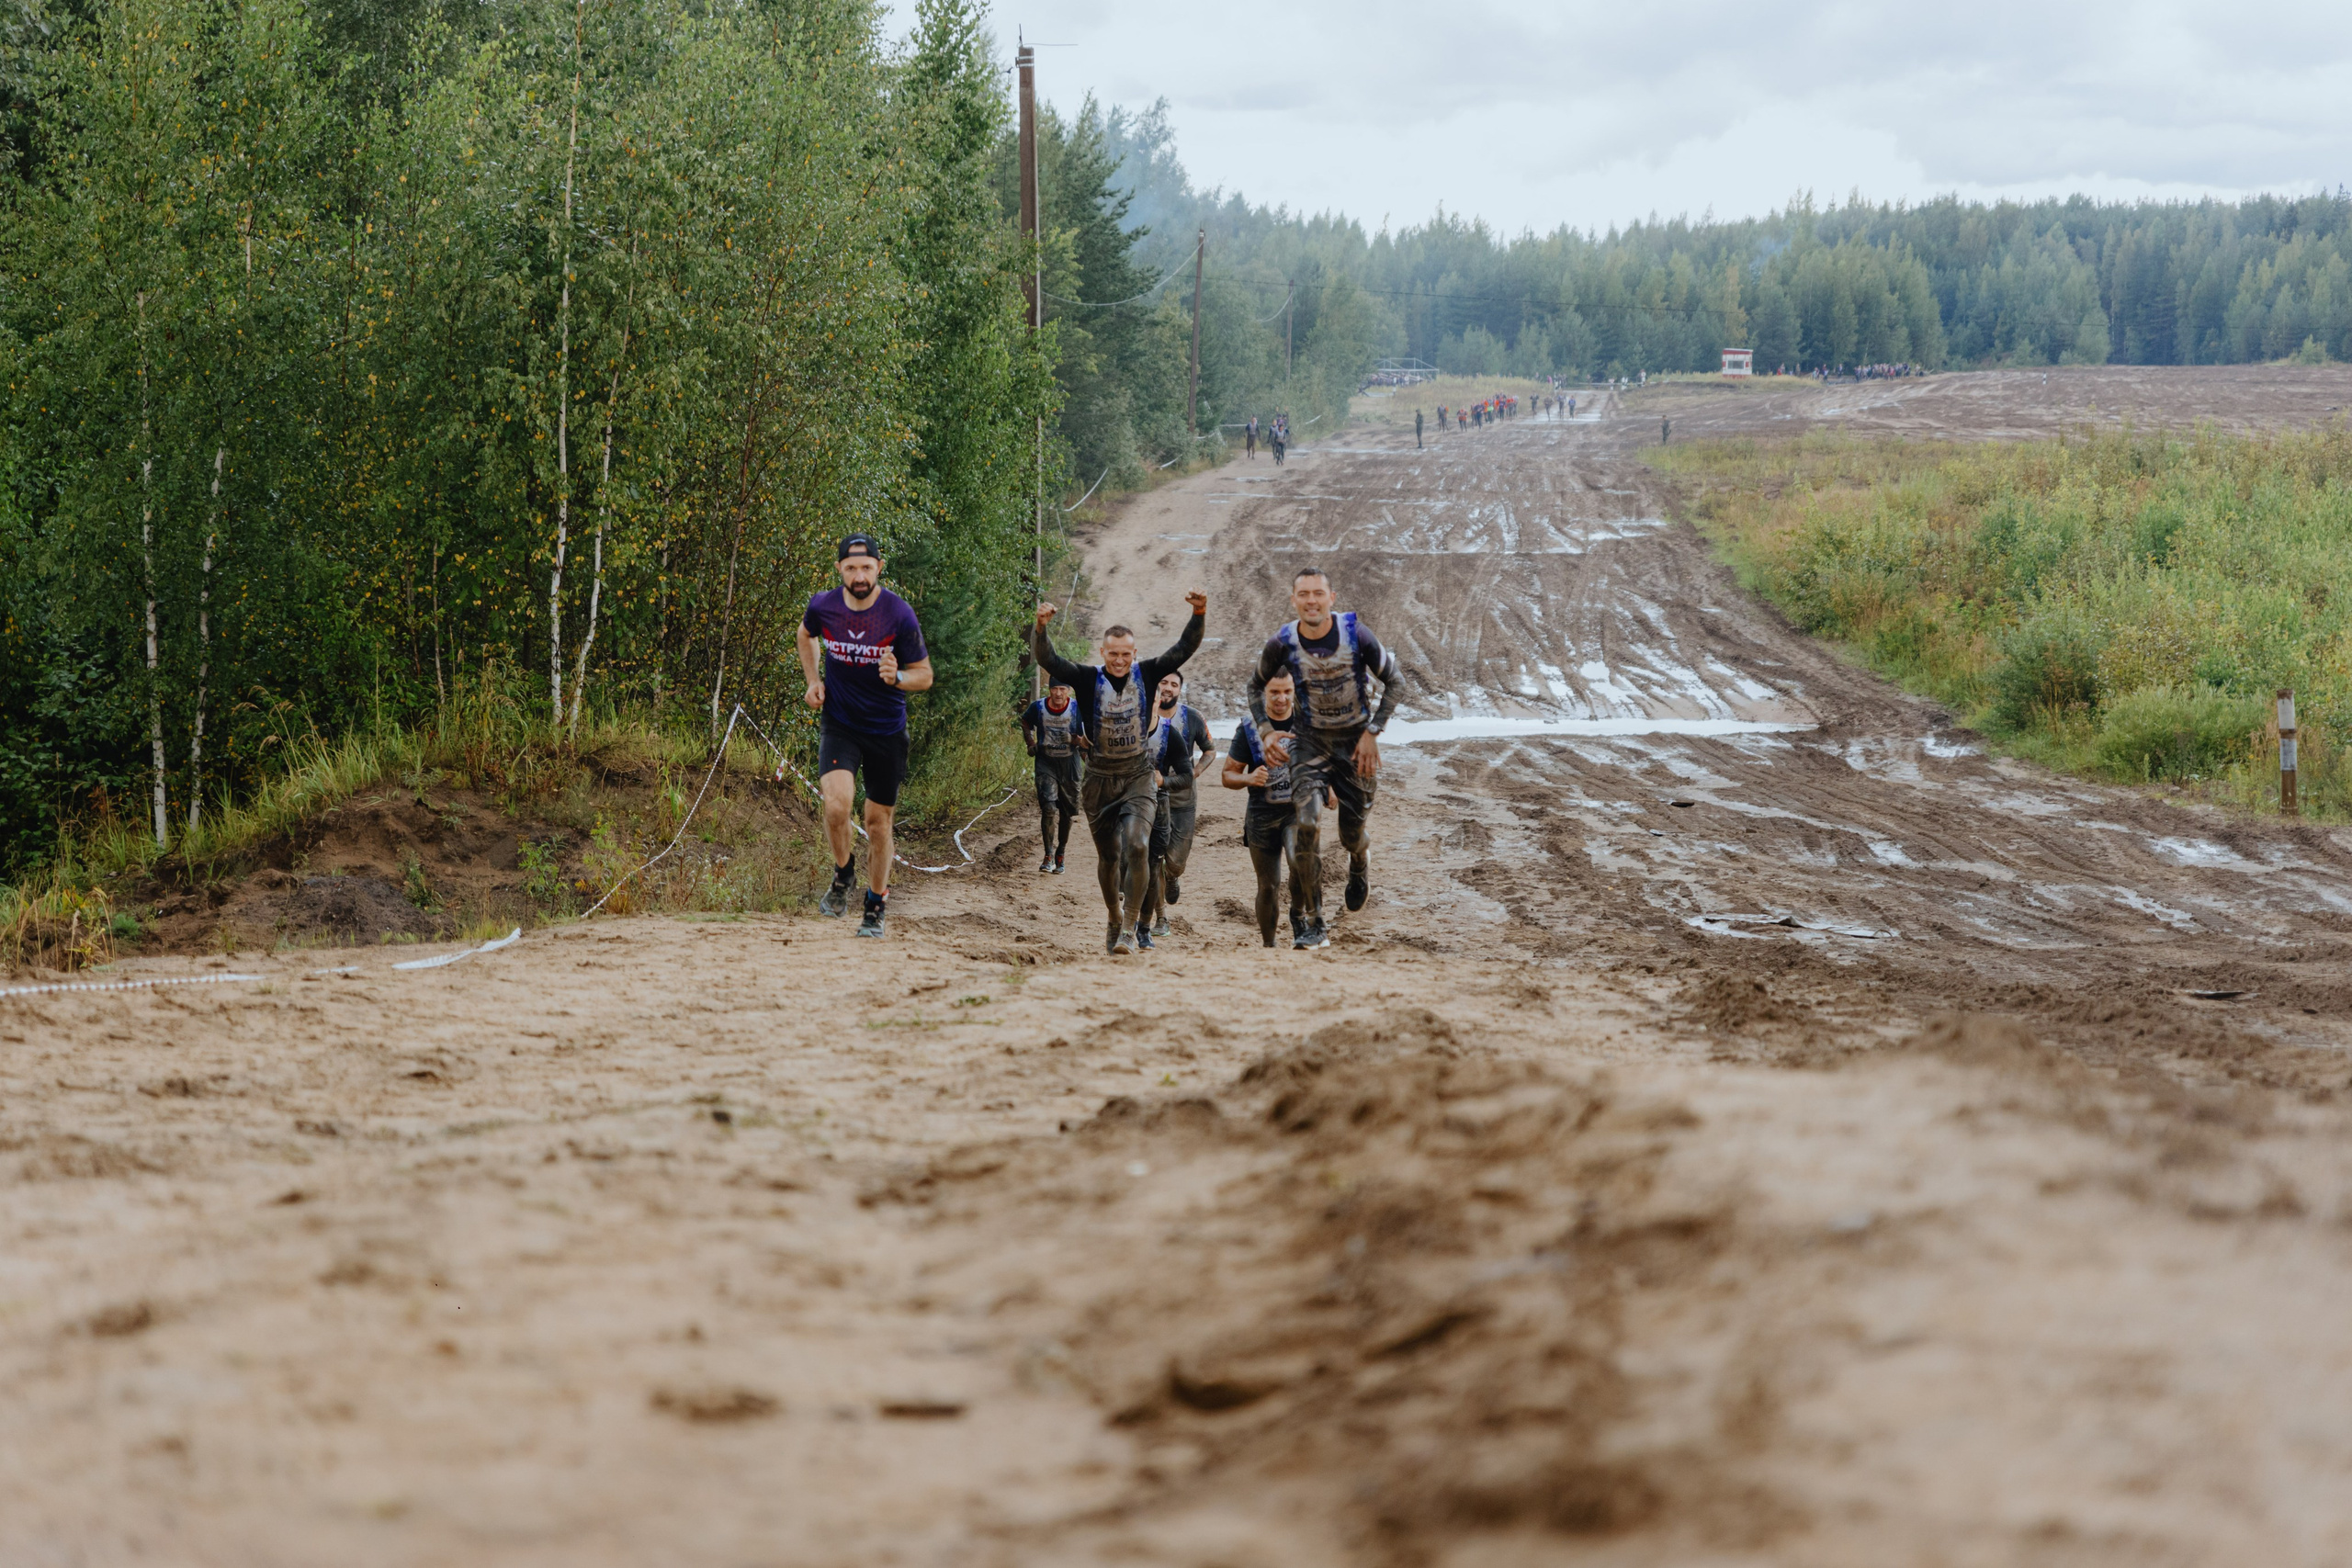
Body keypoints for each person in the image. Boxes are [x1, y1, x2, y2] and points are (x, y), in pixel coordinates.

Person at [1031, 591, 1207, 955]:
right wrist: (1041, 628)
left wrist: (1199, 611)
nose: (1120, 660)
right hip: (1097, 779)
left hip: (1137, 776)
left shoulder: (1148, 673)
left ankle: (1130, 928)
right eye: (1113, 654)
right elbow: (1046, 657)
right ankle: (1113, 916)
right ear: (1102, 653)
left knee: (1139, 846)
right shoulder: (1084, 678)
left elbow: (1185, 647)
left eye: (1126, 654)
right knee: (1109, 857)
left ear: (1134, 653)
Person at [1246, 568, 1400, 949]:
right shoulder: (1282, 641)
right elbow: (1254, 685)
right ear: (1294, 599)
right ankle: (1315, 922)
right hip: (1310, 743)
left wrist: (1373, 732)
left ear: (1331, 598)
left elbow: (1396, 680)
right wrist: (1266, 731)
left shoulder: (1356, 634)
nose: (1311, 601)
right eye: (1304, 594)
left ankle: (1359, 862)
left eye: (1318, 593)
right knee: (1308, 824)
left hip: (1355, 744)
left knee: (1351, 834)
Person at [797, 534, 934, 939]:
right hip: (840, 724)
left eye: (867, 567)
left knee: (877, 824)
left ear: (879, 567)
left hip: (886, 732)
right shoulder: (824, 606)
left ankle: (875, 905)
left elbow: (925, 676)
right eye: (851, 567)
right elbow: (806, 635)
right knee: (836, 806)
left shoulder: (898, 614)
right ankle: (843, 875)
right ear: (839, 568)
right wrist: (812, 681)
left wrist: (899, 677)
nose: (859, 575)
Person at [1223, 670, 1305, 947]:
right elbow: (1228, 774)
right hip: (1260, 815)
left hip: (1297, 811)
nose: (1281, 699)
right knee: (1268, 886)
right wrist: (1248, 777)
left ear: (1294, 692)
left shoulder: (1307, 724)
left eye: (1287, 692)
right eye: (1274, 692)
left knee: (1299, 862)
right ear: (1264, 694)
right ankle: (1269, 947)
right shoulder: (1248, 728)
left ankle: (1299, 918)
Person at [1139, 670, 1216, 942]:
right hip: (1151, 800)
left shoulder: (1192, 718)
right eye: (1164, 683)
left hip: (1183, 800)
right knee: (1153, 859)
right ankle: (1160, 918)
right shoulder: (1142, 719)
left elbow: (1210, 749)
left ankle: (1173, 878)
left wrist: (1194, 773)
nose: (1168, 688)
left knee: (1175, 863)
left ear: (1180, 690)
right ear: (1156, 690)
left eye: (1174, 684)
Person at [1020, 681, 1081, 874]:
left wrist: (1075, 740)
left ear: (1069, 691)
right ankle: (1048, 855)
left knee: (1067, 813)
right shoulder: (1038, 707)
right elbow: (1025, 721)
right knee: (1048, 808)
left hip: (1070, 764)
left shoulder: (1077, 709)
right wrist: (1030, 742)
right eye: (1055, 689)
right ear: (1049, 689)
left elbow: (1091, 732)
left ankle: (1060, 853)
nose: (1058, 693)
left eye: (1063, 689)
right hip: (1046, 762)